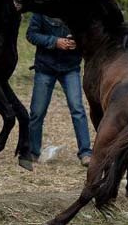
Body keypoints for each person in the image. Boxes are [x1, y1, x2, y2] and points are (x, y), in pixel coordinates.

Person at [26, 13, 92, 166]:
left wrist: (78, 42)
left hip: (70, 67)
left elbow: (89, 34)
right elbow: (31, 34)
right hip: (45, 67)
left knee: (77, 109)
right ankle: (33, 151)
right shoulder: (41, 10)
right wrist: (55, 42)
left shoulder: (77, 10)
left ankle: (86, 152)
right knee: (37, 111)